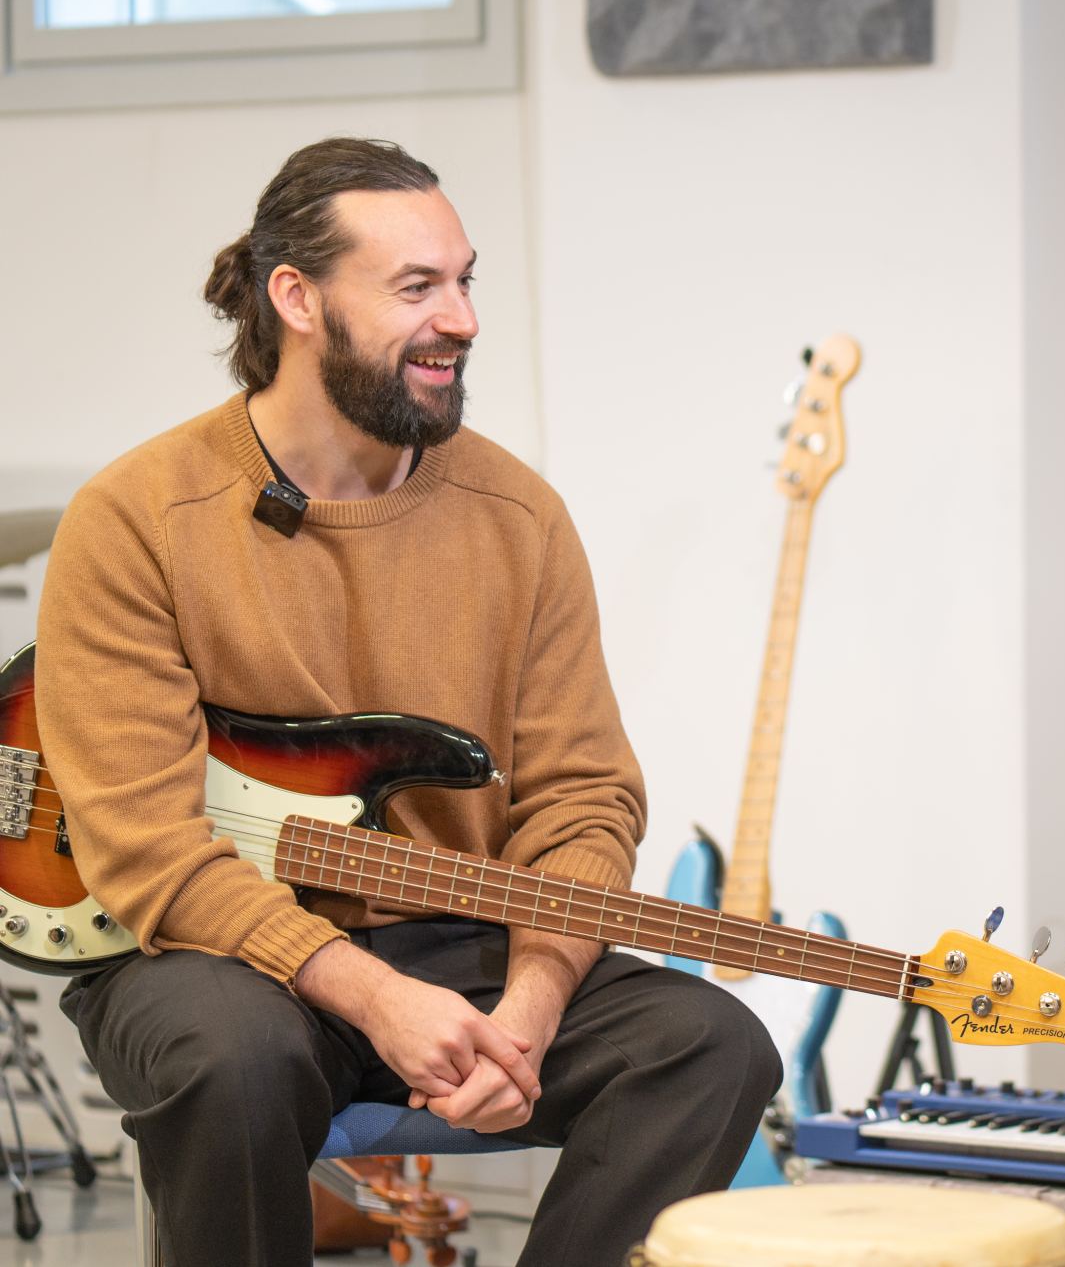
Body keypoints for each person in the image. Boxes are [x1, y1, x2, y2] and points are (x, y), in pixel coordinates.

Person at [34, 137, 782, 1267]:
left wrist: (531, 998)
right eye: (417, 287)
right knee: (231, 1059)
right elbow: (144, 845)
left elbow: (583, 798)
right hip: (209, 957)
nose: (464, 318)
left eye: (466, 279)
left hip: (466, 943)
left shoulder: (515, 516)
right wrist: (374, 996)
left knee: (709, 1043)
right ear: (297, 297)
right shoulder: (137, 516)